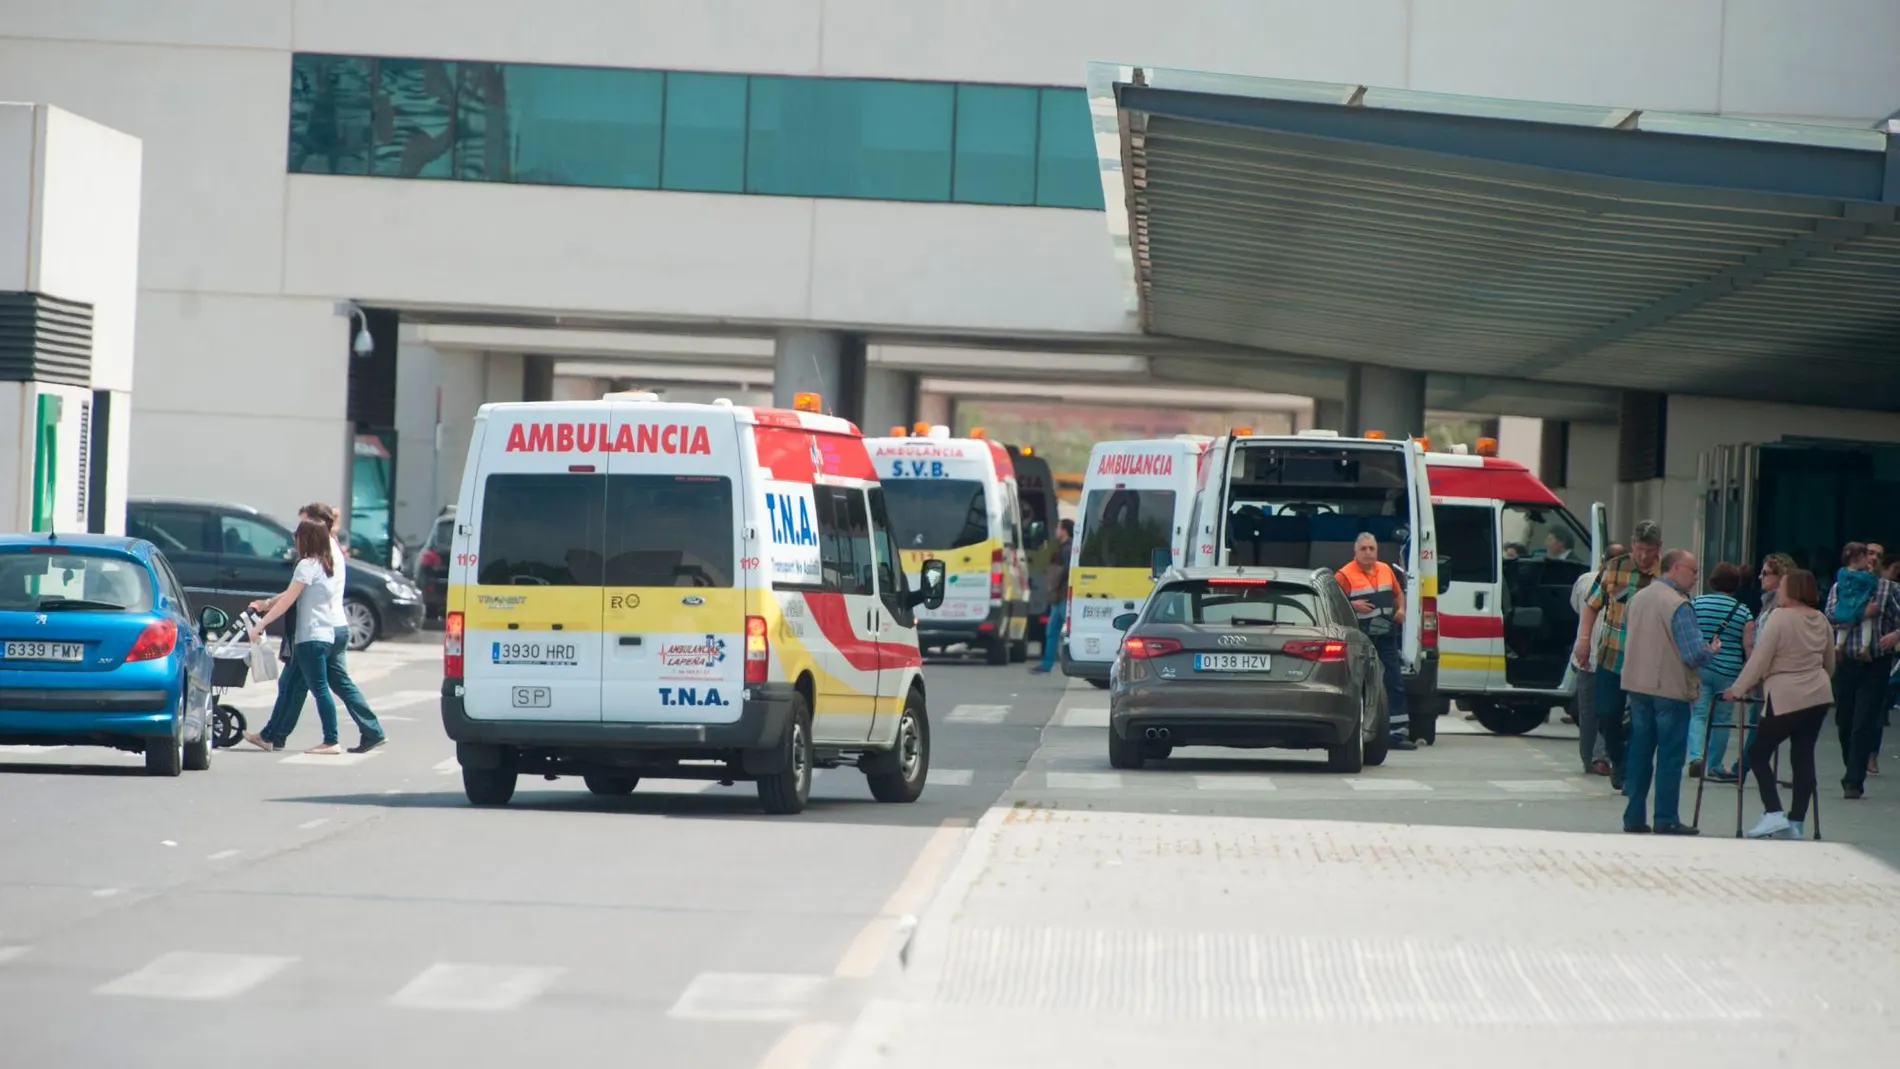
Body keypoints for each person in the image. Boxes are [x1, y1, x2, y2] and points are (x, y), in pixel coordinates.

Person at [245, 518, 385, 755]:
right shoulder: (327, 564)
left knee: (319, 689)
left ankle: (330, 740)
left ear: (306, 539)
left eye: (297, 537)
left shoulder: (307, 565)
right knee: (313, 687)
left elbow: (289, 599)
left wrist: (261, 623)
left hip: (310, 637)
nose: (295, 541)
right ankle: (274, 735)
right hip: (327, 634)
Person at [1723, 568, 1834, 840]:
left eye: (1783, 586)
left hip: (1784, 694)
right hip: (1818, 694)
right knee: (1803, 755)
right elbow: (1830, 661)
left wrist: (1739, 688)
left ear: (1792, 590)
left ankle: (1773, 813)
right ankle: (1796, 822)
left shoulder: (1779, 617)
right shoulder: (1821, 620)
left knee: (1758, 752)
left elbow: (1761, 657)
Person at [1618, 548, 1719, 835]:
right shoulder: (1678, 605)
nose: (1696, 577)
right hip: (1670, 689)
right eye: (1693, 571)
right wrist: (1710, 651)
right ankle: (1666, 817)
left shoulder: (1637, 598)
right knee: (1670, 756)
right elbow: (1692, 654)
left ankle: (1634, 816)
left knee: (1639, 752)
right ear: (1674, 569)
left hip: (1637, 684)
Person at [1573, 522, 1664, 791]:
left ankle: (1630, 772)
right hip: (1612, 656)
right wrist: (1583, 640)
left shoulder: (1667, 573)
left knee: (1642, 721)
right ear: (1632, 545)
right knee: (1605, 713)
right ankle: (1618, 757)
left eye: (1649, 550)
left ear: (1658, 548)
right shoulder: (1615, 568)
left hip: (1648, 662)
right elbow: (1591, 606)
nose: (1644, 556)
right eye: (1639, 549)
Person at [1823, 541, 1900, 800]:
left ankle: (1854, 779)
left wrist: (1895, 634)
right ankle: (1852, 763)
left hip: (1875, 661)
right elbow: (1831, 617)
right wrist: (1861, 613)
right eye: (1869, 553)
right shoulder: (1840, 586)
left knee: (1864, 720)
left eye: (1878, 556)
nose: (1873, 559)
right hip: (1845, 659)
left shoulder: (1889, 588)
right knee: (1844, 719)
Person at [1335, 532, 1415, 751]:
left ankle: (1398, 734)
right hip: (1360, 639)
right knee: (1360, 684)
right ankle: (1360, 731)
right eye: (1364, 549)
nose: (1368, 553)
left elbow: (1398, 594)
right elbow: (1333, 607)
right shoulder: (1344, 575)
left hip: (1387, 637)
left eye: (1372, 548)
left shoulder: (1386, 570)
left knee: (1393, 682)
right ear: (1355, 551)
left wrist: (1401, 610)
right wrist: (1353, 606)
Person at [1687, 562, 1753, 780]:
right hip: (1729, 671)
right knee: (1722, 719)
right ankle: (1714, 765)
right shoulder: (1743, 611)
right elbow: (1748, 645)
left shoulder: (1697, 603)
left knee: (1698, 714)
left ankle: (1696, 757)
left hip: (1702, 665)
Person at [1568, 541, 1624, 774]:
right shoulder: (1623, 584)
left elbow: (1575, 606)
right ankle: (1601, 756)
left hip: (1585, 653)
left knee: (1587, 710)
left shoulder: (1584, 580)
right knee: (1608, 709)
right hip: (1610, 656)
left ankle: (1588, 757)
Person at [1030, 519, 1074, 675]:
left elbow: (1067, 572)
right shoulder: (1065, 547)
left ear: (1064, 530)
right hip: (1059, 596)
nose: (1056, 530)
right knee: (1053, 629)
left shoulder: (1067, 549)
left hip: (1062, 595)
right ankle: (1047, 663)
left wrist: (1055, 583)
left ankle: (1052, 663)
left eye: (1058, 527)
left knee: (1063, 630)